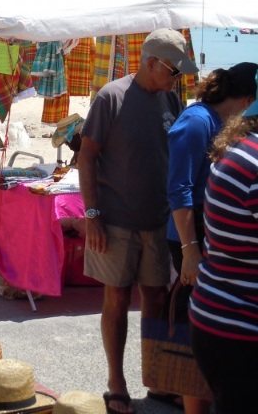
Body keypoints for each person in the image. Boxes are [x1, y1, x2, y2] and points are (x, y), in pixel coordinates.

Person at [78, 28, 197, 414]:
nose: (178, 79)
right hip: (115, 221)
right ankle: (117, 383)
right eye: (174, 71)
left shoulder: (171, 100)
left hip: (157, 220)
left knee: (156, 296)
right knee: (116, 296)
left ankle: (157, 379)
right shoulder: (111, 97)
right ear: (152, 63)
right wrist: (92, 215)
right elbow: (86, 156)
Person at [167, 61, 257, 414]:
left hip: (213, 233)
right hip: (189, 235)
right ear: (248, 98)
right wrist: (190, 249)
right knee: (196, 330)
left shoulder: (219, 125)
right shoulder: (197, 120)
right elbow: (179, 187)